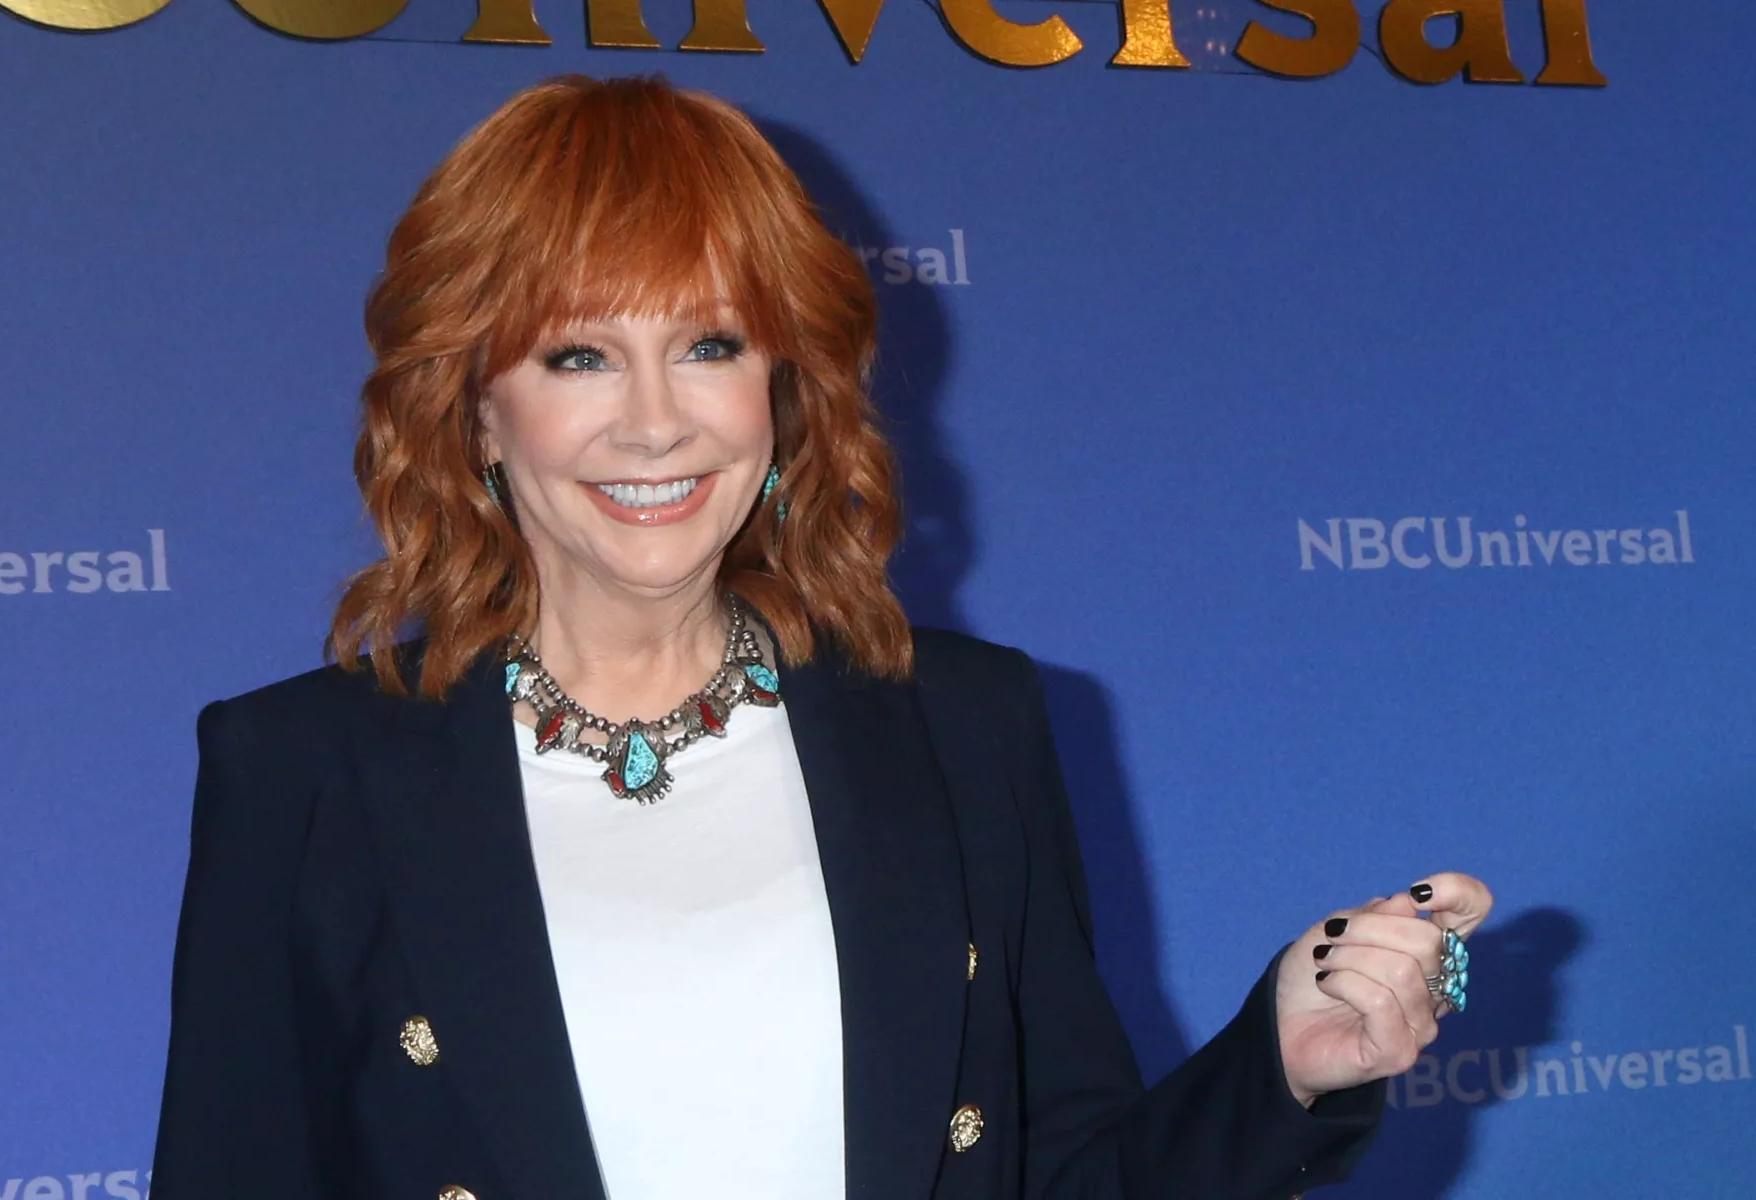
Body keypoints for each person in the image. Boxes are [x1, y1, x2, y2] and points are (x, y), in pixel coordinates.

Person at [148, 74, 1492, 1200]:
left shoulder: (963, 726)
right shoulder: (304, 771)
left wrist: (1282, 1065)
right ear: (474, 410)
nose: (655, 422)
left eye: (713, 345)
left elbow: (1070, 1174)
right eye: (578, 357)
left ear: (789, 392)